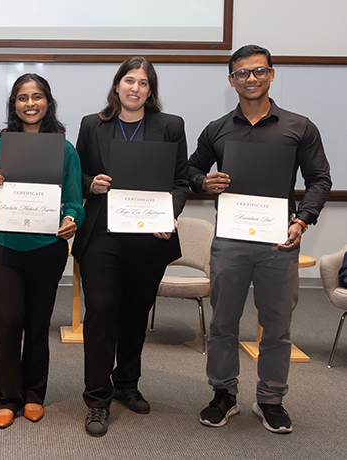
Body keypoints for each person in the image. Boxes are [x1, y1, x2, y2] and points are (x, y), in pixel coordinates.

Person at [189, 45, 331, 434]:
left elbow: (320, 180)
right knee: (223, 323)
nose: (250, 79)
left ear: (271, 74)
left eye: (258, 71)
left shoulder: (299, 127)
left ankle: (270, 399)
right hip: (230, 242)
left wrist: (302, 221)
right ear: (231, 79)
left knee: (277, 325)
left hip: (279, 242)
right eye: (242, 73)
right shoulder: (217, 129)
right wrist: (203, 181)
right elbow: (191, 168)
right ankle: (223, 395)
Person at [71, 57, 189, 437]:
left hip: (150, 235)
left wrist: (168, 214)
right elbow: (76, 173)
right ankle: (97, 398)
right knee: (102, 311)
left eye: (143, 82)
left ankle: (126, 384)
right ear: (117, 85)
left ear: (150, 90)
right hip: (102, 233)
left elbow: (181, 182)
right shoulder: (94, 124)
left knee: (136, 314)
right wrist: (92, 183)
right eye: (128, 80)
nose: (135, 88)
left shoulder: (171, 126)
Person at [0, 73, 85, 429]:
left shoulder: (64, 149)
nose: (30, 103)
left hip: (47, 247)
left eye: (37, 96)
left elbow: (74, 201)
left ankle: (35, 394)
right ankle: (8, 397)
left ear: (47, 102)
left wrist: (72, 219)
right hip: (3, 246)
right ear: (14, 105)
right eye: (22, 98)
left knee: (38, 325)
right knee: (7, 323)